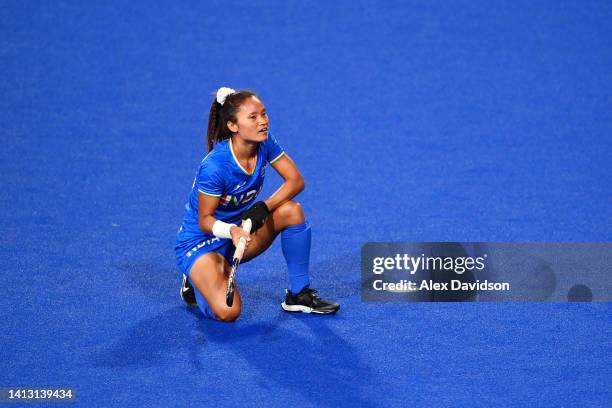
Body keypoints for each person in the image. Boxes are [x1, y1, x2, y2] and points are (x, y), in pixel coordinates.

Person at [174, 87, 340, 322]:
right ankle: (196, 280)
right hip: (202, 241)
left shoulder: (264, 142)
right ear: (233, 126)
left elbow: (296, 181)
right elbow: (204, 220)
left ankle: (299, 295)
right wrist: (231, 230)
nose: (263, 122)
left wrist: (263, 207)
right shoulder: (215, 167)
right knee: (228, 312)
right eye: (253, 117)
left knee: (292, 211)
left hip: (243, 232)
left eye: (264, 114)